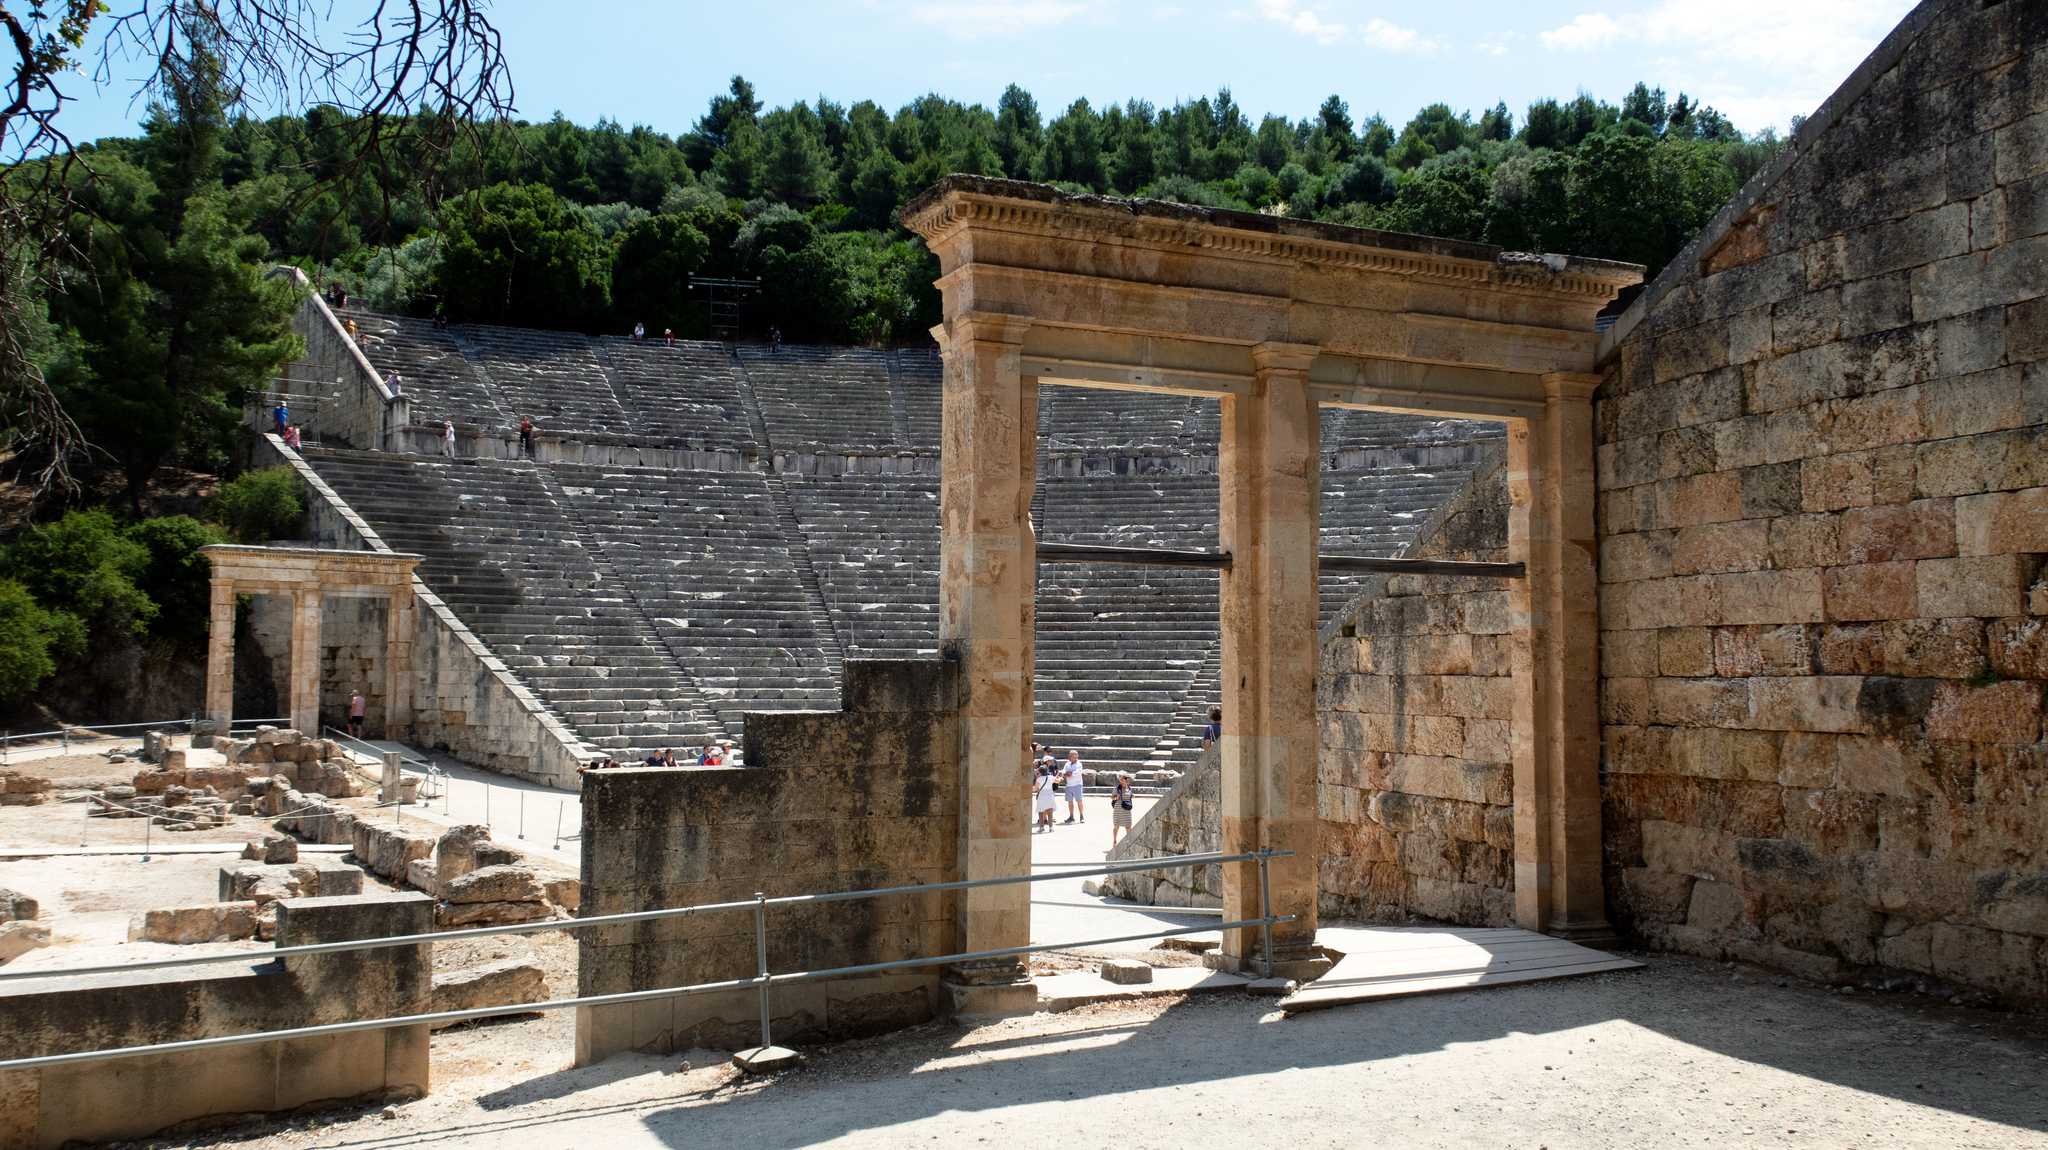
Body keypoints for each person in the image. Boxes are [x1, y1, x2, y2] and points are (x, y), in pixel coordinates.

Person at [1110, 771, 1135, 848]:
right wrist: (1116, 797)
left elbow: (1131, 795)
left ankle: (1129, 841)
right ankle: (1114, 841)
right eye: (1121, 780)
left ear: (1126, 780)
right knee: (1116, 826)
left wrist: (1132, 796)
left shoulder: (1129, 788)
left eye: (1123, 780)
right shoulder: (1117, 788)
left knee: (1128, 826)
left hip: (1126, 810)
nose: (1121, 781)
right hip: (1118, 810)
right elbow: (1112, 797)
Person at [1061, 749, 1086, 824]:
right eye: (1070, 755)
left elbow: (1076, 773)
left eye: (1071, 755)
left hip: (1077, 785)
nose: (1069, 756)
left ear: (1076, 756)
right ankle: (1071, 817)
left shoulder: (1079, 764)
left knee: (1079, 801)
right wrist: (1066, 773)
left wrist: (1068, 773)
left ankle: (1081, 816)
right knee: (1070, 802)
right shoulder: (1067, 763)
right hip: (1069, 785)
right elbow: (1063, 771)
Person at [1033, 764, 1058, 833]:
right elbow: (1057, 781)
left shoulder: (1039, 779)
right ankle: (1051, 828)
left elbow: (1035, 789)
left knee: (1041, 812)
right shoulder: (1051, 777)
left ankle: (1041, 828)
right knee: (1050, 812)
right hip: (1050, 796)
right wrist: (1060, 778)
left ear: (1040, 772)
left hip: (1042, 796)